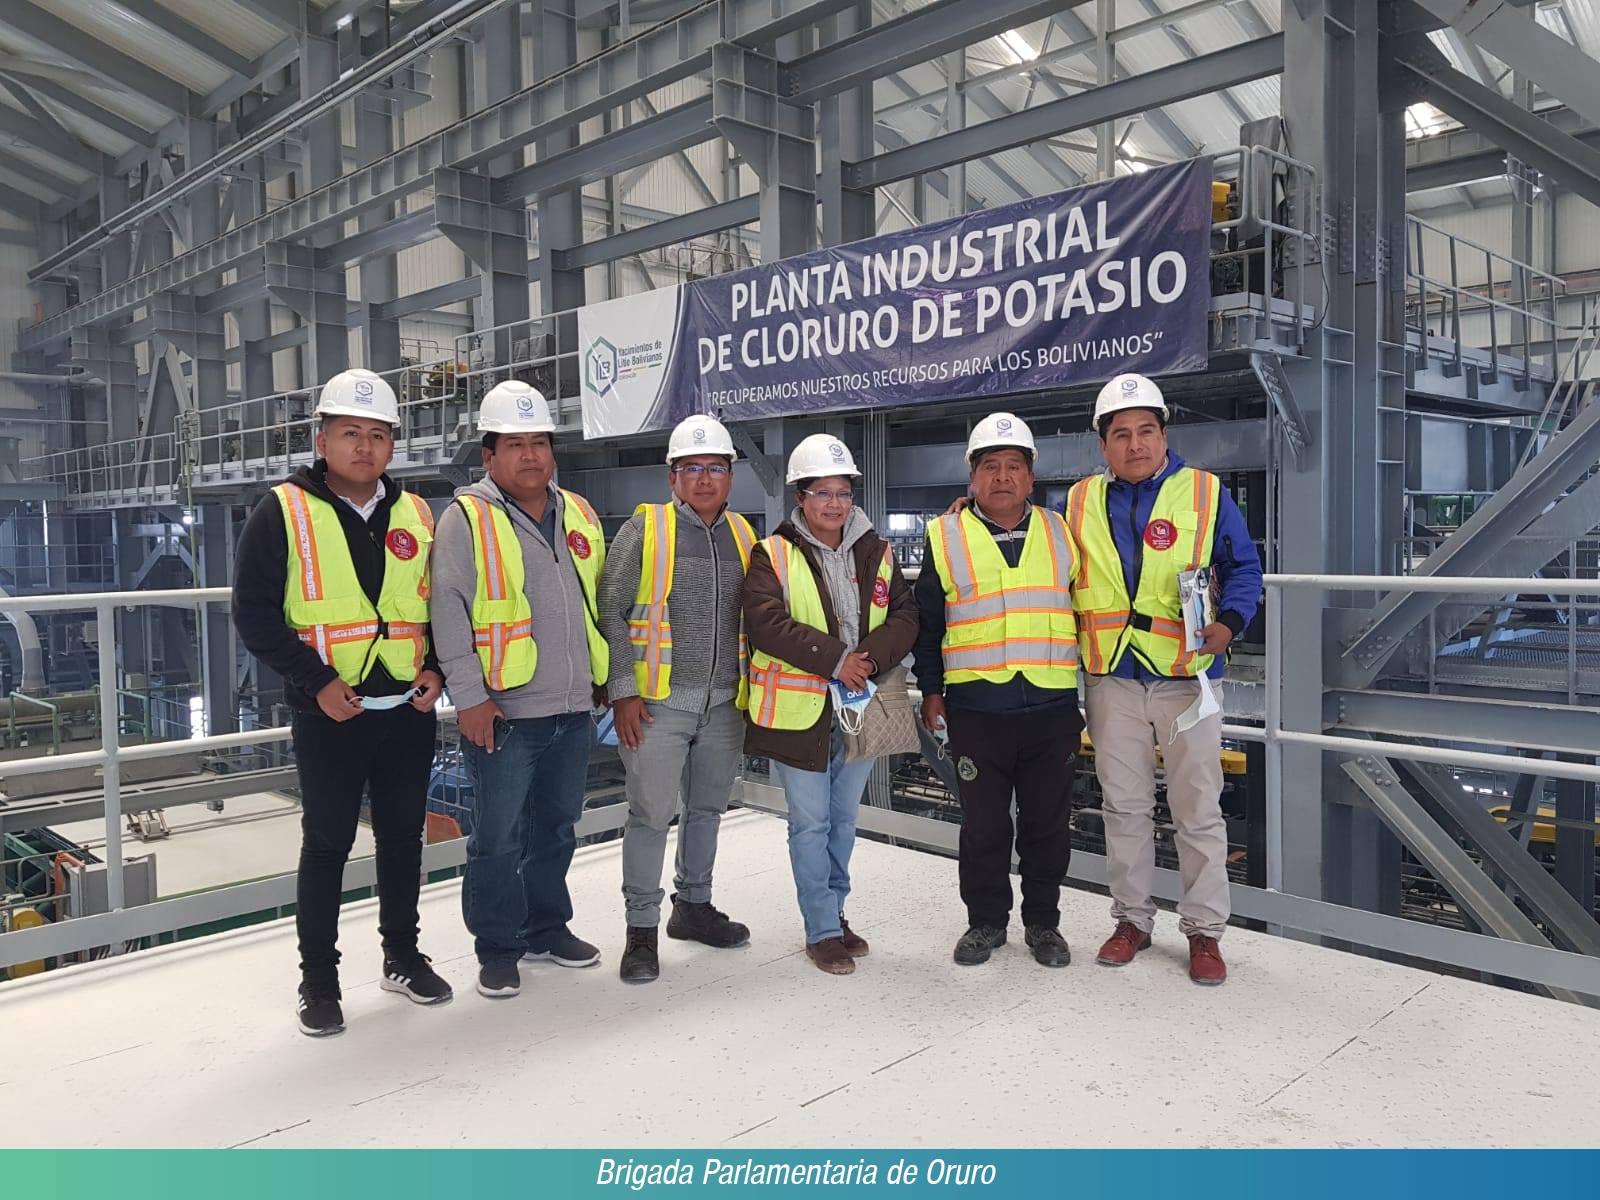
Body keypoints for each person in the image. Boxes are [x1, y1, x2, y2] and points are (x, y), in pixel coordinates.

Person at [233, 368, 451, 1038]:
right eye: (351, 433)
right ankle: (319, 983)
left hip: (406, 707)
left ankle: (402, 956)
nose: (365, 446)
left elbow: (442, 607)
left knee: (401, 840)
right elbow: (253, 614)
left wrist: (439, 670)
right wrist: (315, 682)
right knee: (326, 843)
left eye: (378, 435)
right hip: (328, 708)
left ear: (392, 446)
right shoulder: (283, 511)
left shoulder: (416, 513)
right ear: (322, 440)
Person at [1067, 373, 1262, 985]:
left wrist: (1229, 625)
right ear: (1103, 445)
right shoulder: (1076, 502)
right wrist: (968, 509)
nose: (1134, 444)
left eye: (1145, 431)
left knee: (1198, 809)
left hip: (1188, 676)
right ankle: (1131, 921)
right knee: (1122, 807)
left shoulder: (1204, 494)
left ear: (1163, 435)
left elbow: (1244, 568)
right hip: (1111, 677)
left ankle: (1204, 932)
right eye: (1120, 434)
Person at [431, 380, 609, 1000]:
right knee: (498, 836)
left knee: (558, 826)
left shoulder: (579, 513)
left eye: (540, 443)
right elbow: (448, 612)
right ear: (489, 456)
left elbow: (597, 603)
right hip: (504, 712)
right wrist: (471, 699)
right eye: (515, 444)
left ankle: (547, 927)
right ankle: (497, 947)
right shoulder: (467, 518)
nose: (531, 455)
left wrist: (605, 682)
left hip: (572, 705)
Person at [742, 434, 917, 975]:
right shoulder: (771, 553)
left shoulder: (877, 551)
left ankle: (837, 913)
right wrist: (837, 659)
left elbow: (906, 618)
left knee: (843, 821)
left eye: (843, 491)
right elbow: (767, 623)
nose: (835, 503)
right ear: (801, 497)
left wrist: (863, 659)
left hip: (857, 706)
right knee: (810, 824)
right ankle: (820, 928)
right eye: (822, 492)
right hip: (800, 714)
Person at [914, 413, 1083, 969]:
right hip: (976, 708)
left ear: (1031, 478)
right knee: (983, 826)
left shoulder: (1066, 532)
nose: (1003, 477)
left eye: (1014, 467)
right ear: (972, 478)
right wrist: (932, 691)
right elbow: (929, 624)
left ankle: (1044, 925)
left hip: (1051, 706)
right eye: (991, 467)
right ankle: (986, 923)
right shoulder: (944, 536)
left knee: (1048, 824)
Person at [597, 414, 759, 984]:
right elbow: (612, 609)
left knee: (709, 810)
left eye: (717, 468)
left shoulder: (745, 536)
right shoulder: (646, 529)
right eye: (693, 468)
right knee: (649, 815)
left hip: (724, 703)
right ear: (673, 477)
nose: (706, 479)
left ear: (731, 475)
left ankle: (692, 907)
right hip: (658, 703)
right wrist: (622, 691)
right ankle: (640, 929)